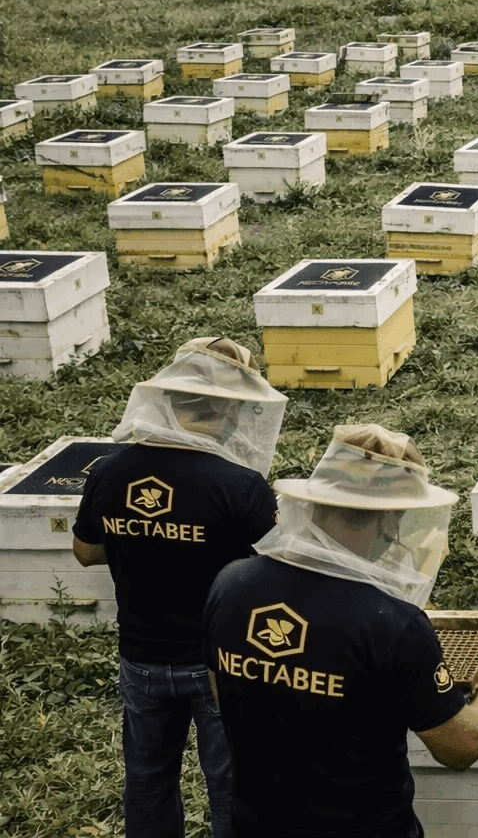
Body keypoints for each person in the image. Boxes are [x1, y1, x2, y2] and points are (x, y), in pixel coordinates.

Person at [202, 424, 478, 838]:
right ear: (390, 519)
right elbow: (461, 745)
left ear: (315, 504)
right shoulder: (394, 624)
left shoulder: (230, 585)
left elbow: (219, 688)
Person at [73, 336, 288, 838]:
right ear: (230, 408)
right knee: (232, 784)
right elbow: (279, 566)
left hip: (140, 660)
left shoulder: (109, 471)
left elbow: (85, 550)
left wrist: (140, 538)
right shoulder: (238, 485)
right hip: (220, 666)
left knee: (147, 780)